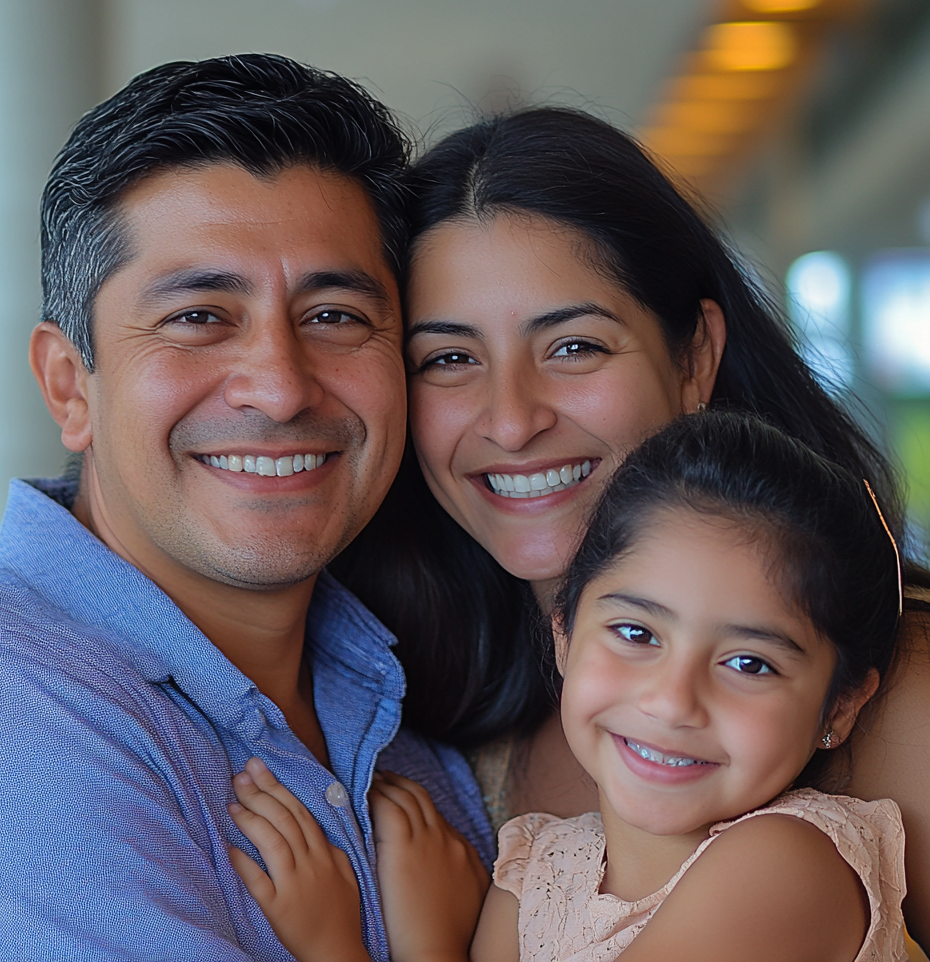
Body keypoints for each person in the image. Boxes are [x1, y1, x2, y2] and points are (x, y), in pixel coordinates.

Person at [0, 53, 491, 962]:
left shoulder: (406, 725)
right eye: (199, 317)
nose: (281, 388)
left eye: (334, 315)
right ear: (71, 386)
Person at [329, 106, 930, 945]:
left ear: (693, 359)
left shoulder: (898, 692)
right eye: (450, 359)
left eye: (574, 347)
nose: (510, 421)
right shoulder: (447, 718)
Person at [222, 411, 909, 962]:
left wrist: (366, 946)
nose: (672, 700)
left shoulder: (787, 866)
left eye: (749, 664)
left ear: (842, 705)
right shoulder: (538, 870)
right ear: (564, 636)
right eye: (637, 634)